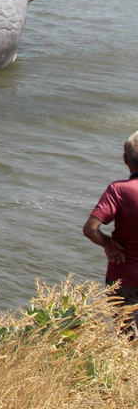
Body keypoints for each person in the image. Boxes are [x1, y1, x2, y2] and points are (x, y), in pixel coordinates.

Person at [83, 130, 138, 326]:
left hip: (125, 276)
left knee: (128, 338)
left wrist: (108, 243)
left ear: (125, 159)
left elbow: (90, 229)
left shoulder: (118, 190)